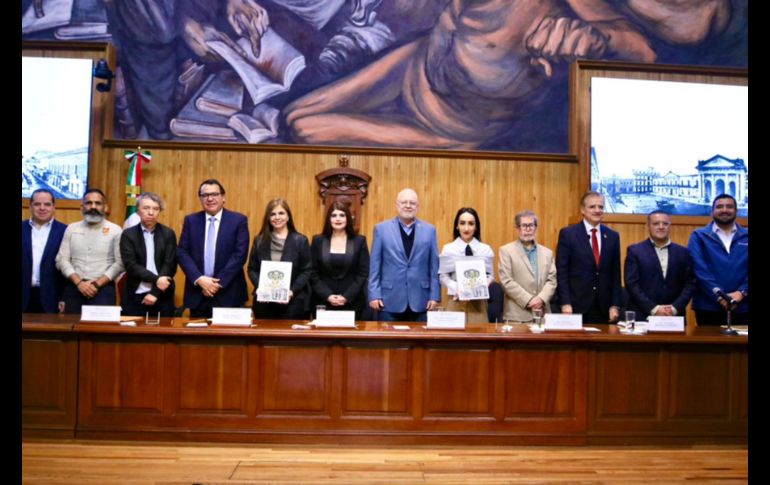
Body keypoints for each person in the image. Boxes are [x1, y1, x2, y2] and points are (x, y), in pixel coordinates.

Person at [177, 179, 250, 318]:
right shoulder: (191, 221)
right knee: (197, 338)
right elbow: (182, 252)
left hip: (229, 293)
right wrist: (199, 279)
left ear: (223, 197)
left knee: (231, 339)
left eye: (215, 194)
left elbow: (240, 255)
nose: (210, 198)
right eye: (205, 195)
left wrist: (216, 284)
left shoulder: (238, 220)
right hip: (198, 292)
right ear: (200, 198)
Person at [368, 188, 440, 322]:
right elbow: (375, 266)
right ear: (396, 205)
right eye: (404, 202)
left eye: (412, 203)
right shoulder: (381, 229)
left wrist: (434, 296)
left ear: (417, 206)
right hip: (388, 300)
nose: (408, 206)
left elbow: (434, 267)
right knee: (389, 343)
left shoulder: (430, 230)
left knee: (420, 343)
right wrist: (373, 295)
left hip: (421, 301)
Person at [556, 191, 622, 323]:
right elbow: (561, 272)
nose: (597, 210)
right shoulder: (568, 234)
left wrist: (615, 305)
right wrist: (565, 303)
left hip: (604, 308)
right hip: (575, 306)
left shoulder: (613, 236)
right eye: (592, 207)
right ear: (582, 210)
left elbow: (615, 274)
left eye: (601, 207)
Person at [55, 189, 124, 314]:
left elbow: (120, 263)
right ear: (82, 207)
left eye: (98, 203)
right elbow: (61, 259)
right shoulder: (71, 228)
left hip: (103, 290)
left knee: (100, 331)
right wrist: (79, 283)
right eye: (88, 203)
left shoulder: (115, 230)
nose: (93, 207)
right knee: (70, 329)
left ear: (105, 207)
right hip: (74, 288)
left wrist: (96, 284)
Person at [687, 194, 748, 326]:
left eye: (729, 206)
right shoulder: (699, 236)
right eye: (719, 207)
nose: (724, 210)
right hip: (708, 306)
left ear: (736, 211)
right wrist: (720, 296)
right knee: (709, 347)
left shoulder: (746, 236)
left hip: (744, 305)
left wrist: (742, 293)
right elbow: (698, 269)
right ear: (712, 212)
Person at [624, 210, 695, 321]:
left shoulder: (683, 252)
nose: (661, 227)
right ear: (648, 226)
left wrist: (675, 308)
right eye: (656, 223)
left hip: (674, 317)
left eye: (665, 224)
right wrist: (654, 309)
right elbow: (632, 284)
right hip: (643, 316)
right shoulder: (635, 251)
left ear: (670, 226)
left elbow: (690, 284)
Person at [248, 198, 312, 319]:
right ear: (268, 217)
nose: (277, 217)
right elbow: (252, 269)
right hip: (264, 304)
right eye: (273, 214)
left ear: (288, 217)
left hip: (293, 303)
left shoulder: (301, 241)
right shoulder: (259, 240)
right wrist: (261, 288)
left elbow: (306, 270)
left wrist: (292, 291)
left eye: (281, 213)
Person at [119, 192, 178, 317]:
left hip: (163, 295)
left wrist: (155, 292)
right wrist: (157, 280)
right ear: (138, 210)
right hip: (135, 293)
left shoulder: (168, 234)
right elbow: (131, 266)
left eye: (155, 209)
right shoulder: (128, 235)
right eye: (146, 208)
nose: (151, 213)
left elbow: (170, 265)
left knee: (164, 334)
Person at [310, 201, 370, 319]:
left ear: (348, 218)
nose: (338, 219)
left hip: (352, 302)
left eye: (342, 215)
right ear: (329, 219)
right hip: (323, 302)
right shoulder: (318, 241)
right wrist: (327, 295)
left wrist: (347, 296)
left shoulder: (359, 241)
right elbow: (312, 272)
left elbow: (363, 273)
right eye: (334, 215)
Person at [498, 210, 557, 322]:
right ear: (517, 228)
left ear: (536, 227)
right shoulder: (506, 251)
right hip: (517, 316)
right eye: (524, 225)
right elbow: (506, 281)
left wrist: (541, 299)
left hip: (543, 314)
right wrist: (529, 300)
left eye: (531, 225)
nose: (528, 229)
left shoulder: (547, 253)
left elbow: (552, 281)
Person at [438, 207, 494, 323]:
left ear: (476, 226)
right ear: (457, 226)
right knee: (453, 339)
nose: (466, 228)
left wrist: (486, 283)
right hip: (455, 301)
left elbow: (491, 275)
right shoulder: (448, 249)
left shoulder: (485, 250)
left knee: (479, 338)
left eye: (471, 224)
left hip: (478, 304)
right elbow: (442, 276)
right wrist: (457, 288)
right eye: (462, 223)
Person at [22, 188, 67, 313]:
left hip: (52, 297)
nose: (42, 208)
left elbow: (69, 266)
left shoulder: (65, 231)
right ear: (30, 206)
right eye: (37, 204)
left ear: (53, 207)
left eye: (47, 204)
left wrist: (64, 298)